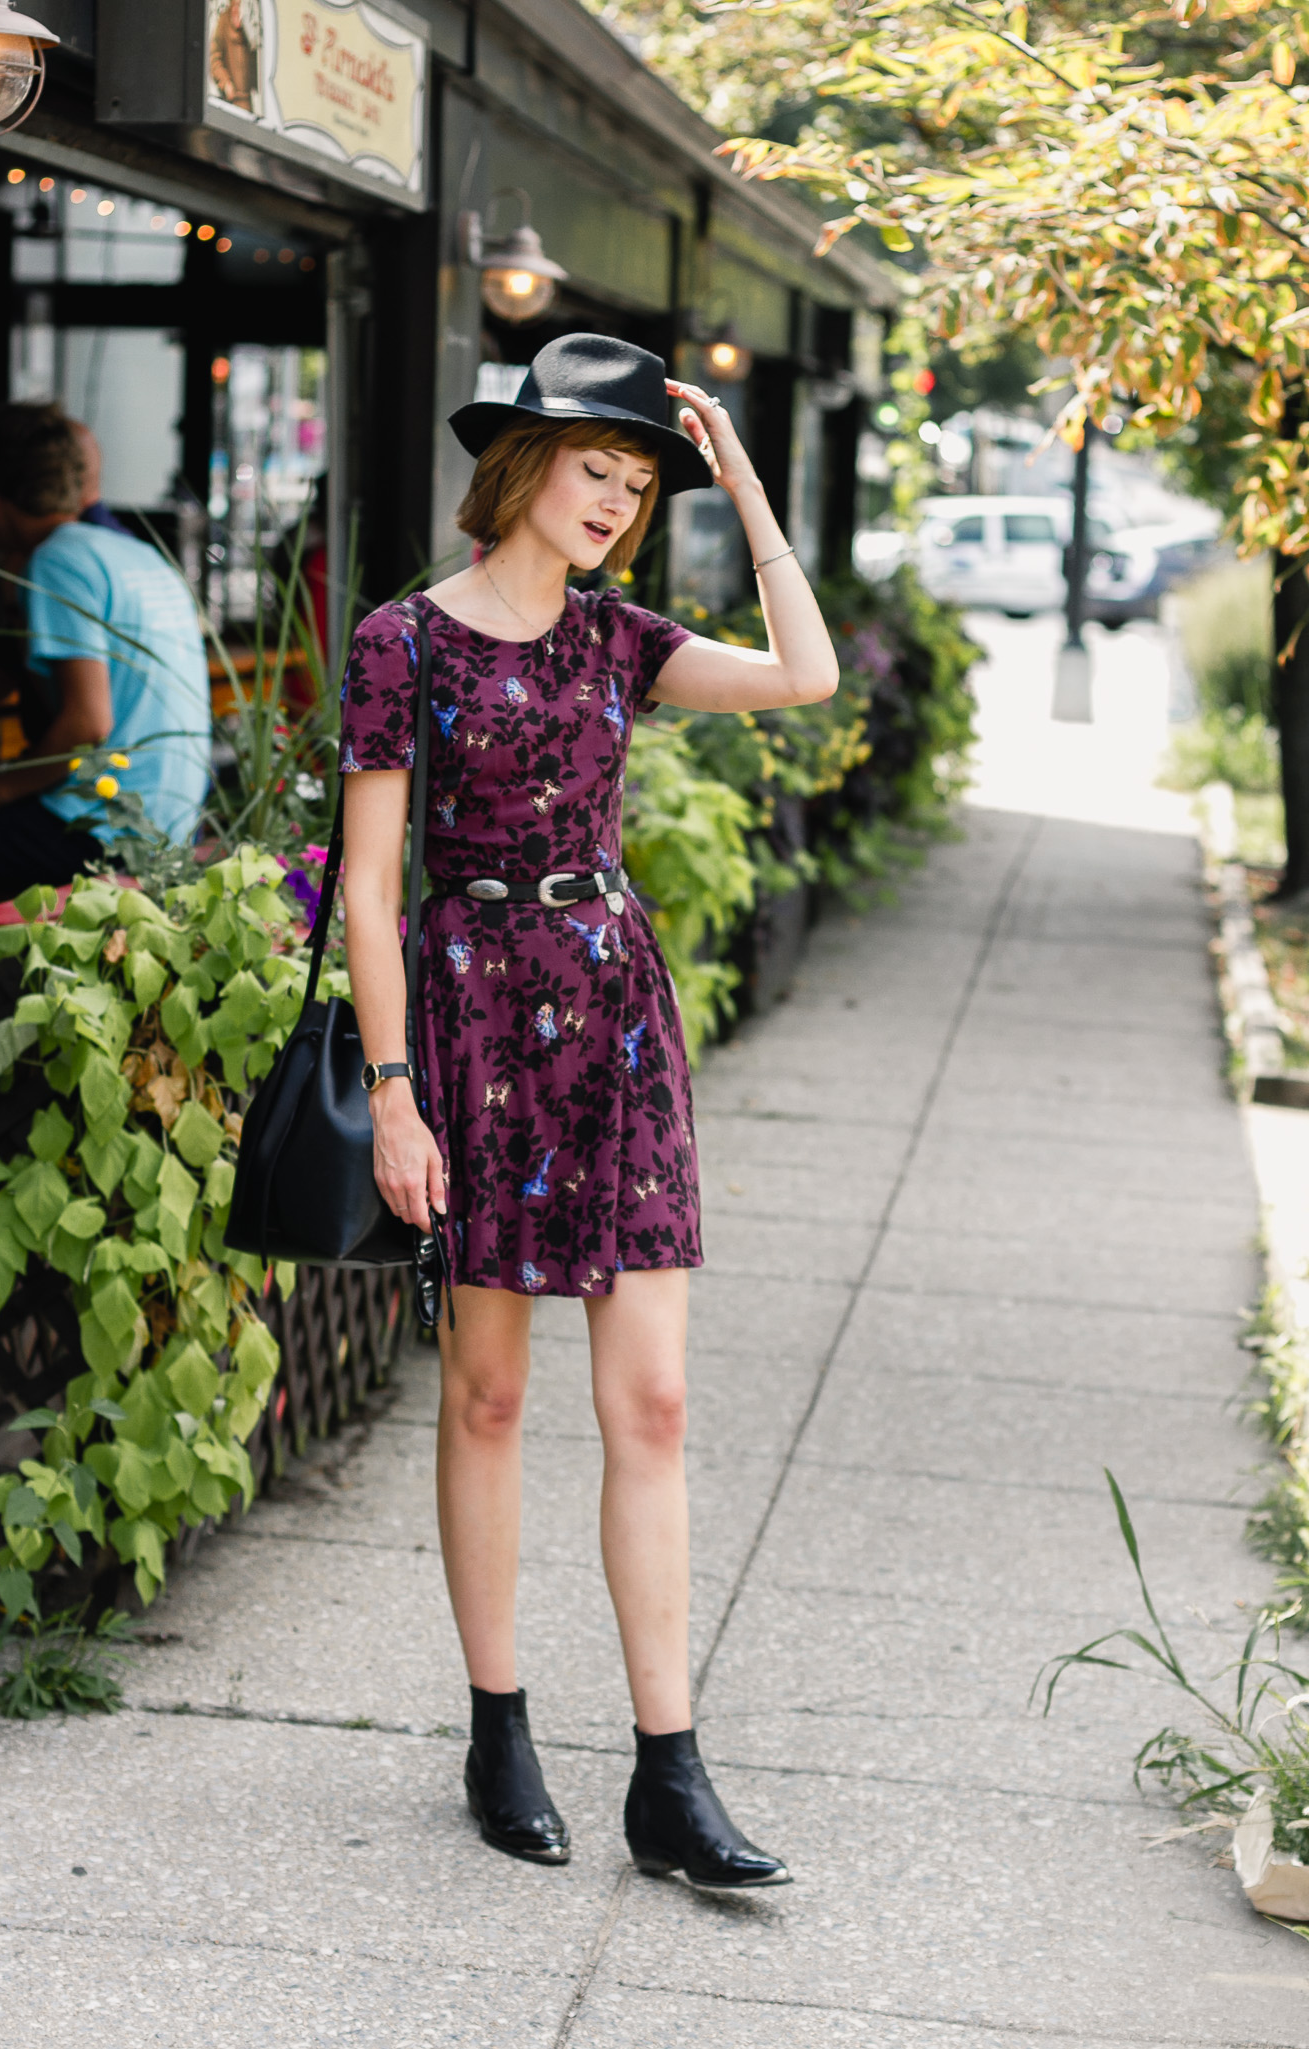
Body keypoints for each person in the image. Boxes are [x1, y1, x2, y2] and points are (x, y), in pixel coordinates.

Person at [339, 334, 838, 1888]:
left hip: (614, 1022)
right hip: (474, 1020)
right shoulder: (401, 643)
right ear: (524, 468)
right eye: (596, 469)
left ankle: (668, 1775)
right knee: (488, 1396)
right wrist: (396, 1094)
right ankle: (498, 1725)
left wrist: (745, 484)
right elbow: (365, 889)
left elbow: (805, 673)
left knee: (657, 1407)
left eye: (639, 479)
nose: (617, 499)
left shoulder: (621, 640)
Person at [0, 402, 211, 903]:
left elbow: (88, 724)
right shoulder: (134, 553)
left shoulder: (57, 559)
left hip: (106, 830)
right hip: (170, 823)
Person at [209, 0, 258, 113]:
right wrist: (225, 82)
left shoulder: (248, 19)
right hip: (231, 98)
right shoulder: (224, 20)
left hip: (247, 99)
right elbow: (214, 58)